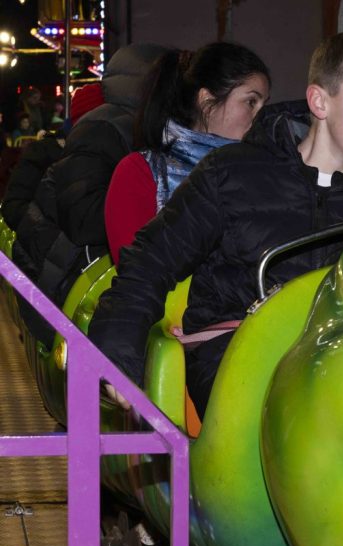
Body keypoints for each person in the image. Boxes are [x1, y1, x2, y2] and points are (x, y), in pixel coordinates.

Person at [88, 30, 343, 418]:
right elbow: (151, 260)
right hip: (237, 353)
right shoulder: (233, 174)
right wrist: (118, 351)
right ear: (319, 101)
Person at [10, 43, 168, 346]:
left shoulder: (131, 136)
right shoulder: (97, 137)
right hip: (65, 278)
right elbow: (78, 219)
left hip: (62, 271)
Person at [105, 43, 271, 265]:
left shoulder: (265, 169)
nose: (261, 116)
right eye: (251, 101)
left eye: (263, 104)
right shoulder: (140, 172)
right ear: (206, 101)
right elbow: (134, 272)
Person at [1, 84, 104, 234]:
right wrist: (51, 238)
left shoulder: (112, 154)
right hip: (45, 250)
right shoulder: (44, 152)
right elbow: (15, 205)